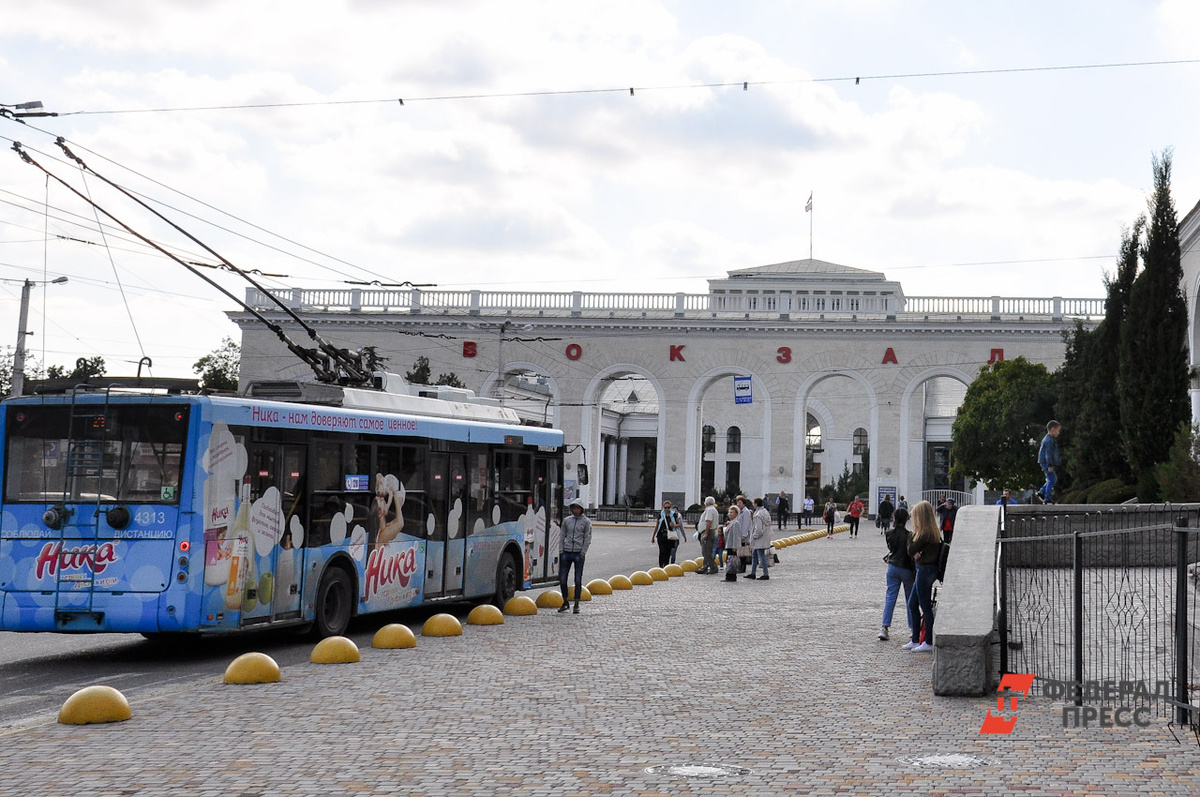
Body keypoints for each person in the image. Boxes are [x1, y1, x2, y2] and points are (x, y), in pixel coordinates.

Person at [905, 500, 943, 652]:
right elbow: (913, 551)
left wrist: (913, 540)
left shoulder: (924, 534)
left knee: (924, 605)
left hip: (925, 570)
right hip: (926, 569)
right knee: (913, 603)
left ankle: (927, 641)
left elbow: (909, 549)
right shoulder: (932, 533)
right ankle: (916, 639)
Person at [879, 506, 914, 641]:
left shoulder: (889, 534)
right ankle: (912, 628)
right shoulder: (910, 535)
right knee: (910, 599)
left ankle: (884, 627)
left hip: (893, 567)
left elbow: (891, 548)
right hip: (906, 568)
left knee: (890, 597)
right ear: (906, 520)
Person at [558, 499, 592, 614]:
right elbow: (562, 535)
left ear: (581, 509)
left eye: (577, 508)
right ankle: (565, 601)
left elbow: (587, 538)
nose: (575, 510)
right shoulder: (567, 521)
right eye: (573, 508)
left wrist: (583, 552)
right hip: (566, 552)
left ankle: (576, 604)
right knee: (562, 579)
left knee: (578, 579)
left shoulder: (586, 522)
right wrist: (561, 550)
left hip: (578, 553)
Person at [651, 500, 683, 568]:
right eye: (665, 508)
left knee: (668, 551)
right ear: (663, 507)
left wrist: (674, 525)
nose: (667, 509)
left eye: (668, 507)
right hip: (661, 535)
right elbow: (657, 525)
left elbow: (679, 524)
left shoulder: (674, 515)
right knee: (662, 550)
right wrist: (653, 536)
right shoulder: (661, 515)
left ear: (670, 508)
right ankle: (661, 565)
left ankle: (666, 565)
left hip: (670, 536)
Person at [1037, 420, 1062, 504]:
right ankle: (1047, 497)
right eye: (1058, 430)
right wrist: (1050, 465)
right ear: (1053, 429)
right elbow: (1048, 454)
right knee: (1051, 479)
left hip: (1045, 462)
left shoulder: (1048, 439)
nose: (1058, 433)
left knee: (1052, 479)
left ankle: (1041, 492)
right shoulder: (1049, 441)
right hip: (1047, 463)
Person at [748, 497, 772, 580]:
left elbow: (758, 529)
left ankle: (765, 573)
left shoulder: (758, 515)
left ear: (756, 504)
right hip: (765, 537)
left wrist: (754, 536)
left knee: (761, 556)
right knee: (755, 555)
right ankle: (753, 572)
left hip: (759, 538)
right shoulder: (765, 512)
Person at [697, 496, 721, 574]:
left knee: (706, 551)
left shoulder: (709, 510)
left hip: (708, 532)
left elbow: (708, 522)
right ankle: (705, 566)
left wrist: (706, 533)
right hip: (710, 531)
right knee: (706, 551)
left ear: (706, 503)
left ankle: (713, 567)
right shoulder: (712, 509)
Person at [722, 505, 743, 582]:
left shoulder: (736, 523)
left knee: (732, 561)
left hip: (732, 545)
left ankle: (732, 576)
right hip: (729, 544)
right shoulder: (730, 523)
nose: (730, 514)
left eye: (732, 512)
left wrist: (735, 546)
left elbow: (736, 536)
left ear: (736, 514)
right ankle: (728, 575)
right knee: (729, 560)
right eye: (729, 512)